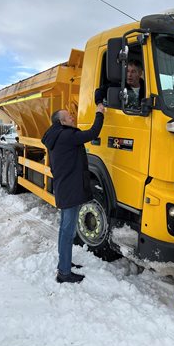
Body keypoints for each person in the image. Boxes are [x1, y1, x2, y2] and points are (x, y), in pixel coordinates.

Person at [42, 104, 105, 284]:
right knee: (68, 230)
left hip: (66, 186)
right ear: (61, 122)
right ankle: (64, 273)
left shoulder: (56, 135)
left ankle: (64, 263)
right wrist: (99, 114)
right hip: (70, 188)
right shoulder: (67, 136)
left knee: (65, 229)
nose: (72, 117)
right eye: (68, 116)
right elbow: (92, 133)